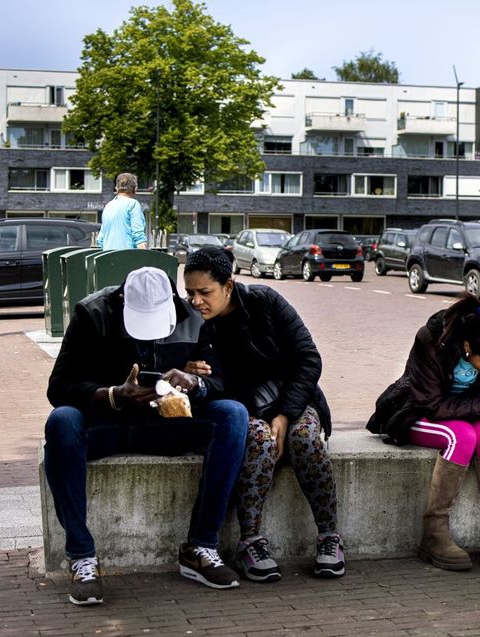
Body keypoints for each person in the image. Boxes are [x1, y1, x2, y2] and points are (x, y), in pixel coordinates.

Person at [44, 267, 248, 606]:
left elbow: (223, 380)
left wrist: (195, 383)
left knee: (233, 414)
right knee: (61, 421)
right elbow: (59, 387)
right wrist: (111, 394)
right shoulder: (91, 314)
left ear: (171, 302)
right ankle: (82, 557)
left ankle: (201, 546)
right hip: (106, 426)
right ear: (122, 300)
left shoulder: (193, 317)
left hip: (166, 426)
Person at [181, 247, 342, 582]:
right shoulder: (192, 323)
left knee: (306, 438)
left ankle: (329, 536)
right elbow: (204, 385)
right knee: (259, 439)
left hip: (294, 400)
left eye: (204, 292)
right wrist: (189, 370)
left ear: (228, 286)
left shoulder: (265, 302)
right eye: (190, 293)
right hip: (245, 409)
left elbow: (308, 358)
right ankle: (251, 541)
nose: (196, 301)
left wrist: (285, 414)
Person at [367, 295, 480, 571]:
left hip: (468, 411)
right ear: (468, 347)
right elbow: (430, 404)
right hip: (416, 412)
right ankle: (434, 534)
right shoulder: (432, 341)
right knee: (462, 437)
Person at [96, 173, 148, 250]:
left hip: (108, 257)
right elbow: (138, 236)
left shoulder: (108, 206)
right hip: (127, 257)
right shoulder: (133, 204)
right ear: (135, 188)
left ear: (116, 188)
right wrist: (146, 258)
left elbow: (100, 240)